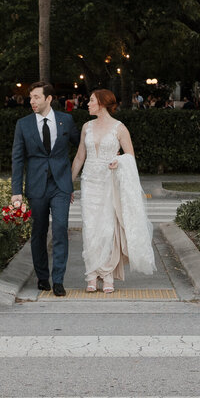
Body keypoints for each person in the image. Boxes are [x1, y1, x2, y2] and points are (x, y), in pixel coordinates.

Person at [71, 89, 155, 293]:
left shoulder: (119, 128)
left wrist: (118, 161)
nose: (87, 103)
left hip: (109, 183)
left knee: (107, 228)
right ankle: (91, 275)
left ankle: (107, 274)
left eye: (90, 100)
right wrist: (68, 184)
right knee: (90, 228)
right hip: (89, 182)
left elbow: (130, 157)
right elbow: (80, 156)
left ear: (101, 103)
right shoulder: (86, 127)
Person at [10, 81, 80, 297]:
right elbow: (17, 159)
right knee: (39, 232)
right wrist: (16, 191)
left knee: (60, 229)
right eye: (31, 97)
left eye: (36, 97)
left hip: (61, 185)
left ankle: (58, 279)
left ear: (49, 99)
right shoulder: (23, 124)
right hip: (36, 186)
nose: (32, 101)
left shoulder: (66, 120)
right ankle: (42, 277)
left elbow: (82, 146)